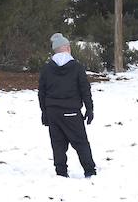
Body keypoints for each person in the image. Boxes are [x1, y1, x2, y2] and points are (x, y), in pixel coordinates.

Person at [38, 33, 96, 178]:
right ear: (67, 48)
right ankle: (90, 171)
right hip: (71, 111)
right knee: (81, 142)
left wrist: (44, 112)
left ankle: (61, 172)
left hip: (53, 112)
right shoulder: (77, 67)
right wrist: (89, 108)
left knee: (57, 144)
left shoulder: (47, 68)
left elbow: (41, 93)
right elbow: (85, 89)